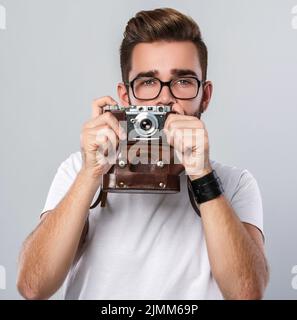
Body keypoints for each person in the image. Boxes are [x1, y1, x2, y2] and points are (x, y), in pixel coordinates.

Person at [17, 7, 269, 300]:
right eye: (148, 82)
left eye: (183, 81)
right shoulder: (78, 170)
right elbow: (34, 286)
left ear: (206, 95)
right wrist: (90, 173)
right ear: (125, 96)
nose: (165, 98)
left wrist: (202, 174)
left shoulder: (235, 183)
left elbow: (247, 293)